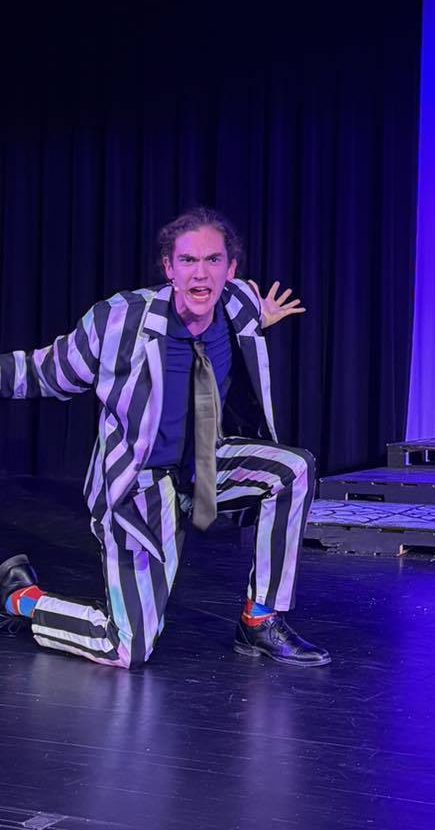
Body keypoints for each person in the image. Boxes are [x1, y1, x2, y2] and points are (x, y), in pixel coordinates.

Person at [0, 207, 330, 669]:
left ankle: (258, 620)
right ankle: (22, 597)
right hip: (140, 487)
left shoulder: (238, 304)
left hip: (204, 467)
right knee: (126, 648)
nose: (201, 273)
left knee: (293, 468)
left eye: (213, 261)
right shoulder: (119, 321)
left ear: (231, 269)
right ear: (168, 268)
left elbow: (248, 309)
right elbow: (42, 372)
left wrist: (263, 317)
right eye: (189, 261)